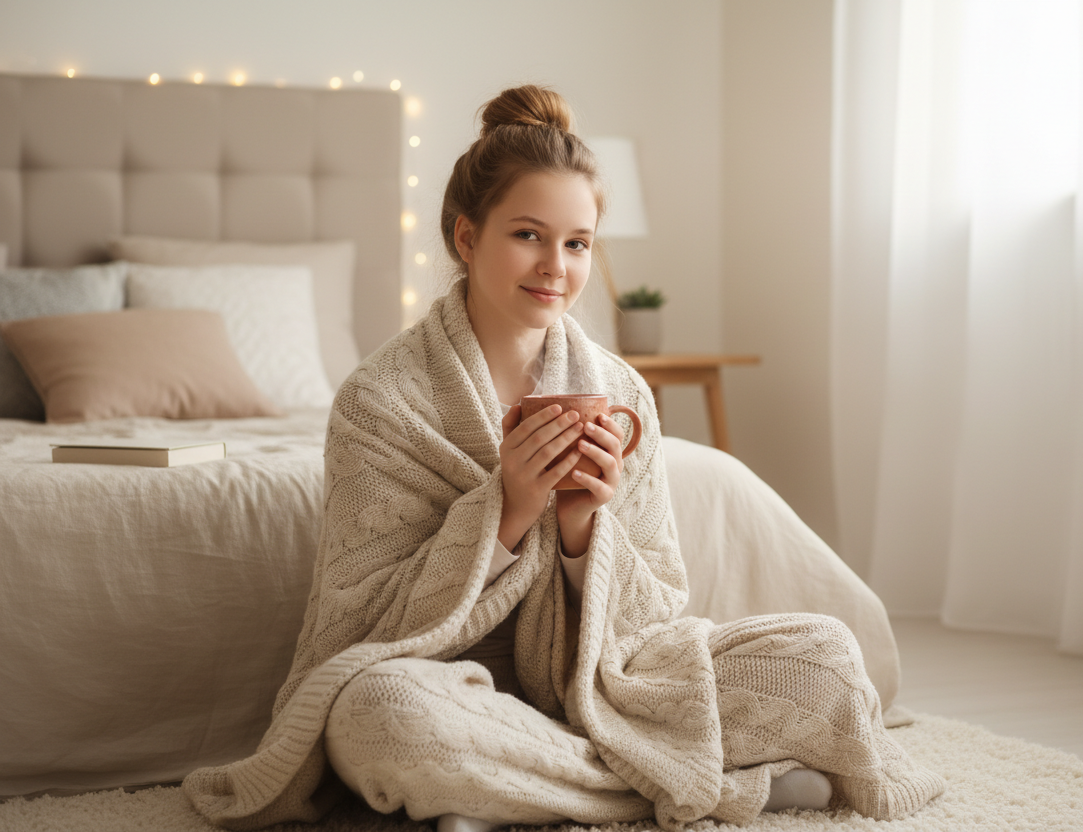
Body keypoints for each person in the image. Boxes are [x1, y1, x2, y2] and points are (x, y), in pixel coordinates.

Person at [184, 85, 944, 832]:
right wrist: (507, 510)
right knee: (380, 719)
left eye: (577, 243)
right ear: (465, 237)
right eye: (528, 235)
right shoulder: (378, 402)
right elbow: (358, 630)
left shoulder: (621, 392)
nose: (556, 266)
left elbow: (657, 614)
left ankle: (512, 793)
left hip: (605, 687)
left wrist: (586, 532)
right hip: (447, 690)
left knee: (824, 656)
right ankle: (702, 782)